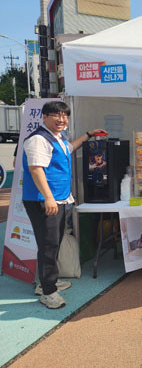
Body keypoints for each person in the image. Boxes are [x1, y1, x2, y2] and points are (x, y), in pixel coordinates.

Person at [22, 101, 105, 309]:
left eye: (65, 116)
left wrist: (88, 135)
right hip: (44, 201)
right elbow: (36, 169)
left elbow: (69, 148)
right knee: (49, 245)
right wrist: (48, 197)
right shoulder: (38, 139)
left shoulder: (56, 138)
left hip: (58, 199)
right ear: (44, 117)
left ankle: (46, 282)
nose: (61, 120)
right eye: (56, 115)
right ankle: (48, 292)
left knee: (53, 243)